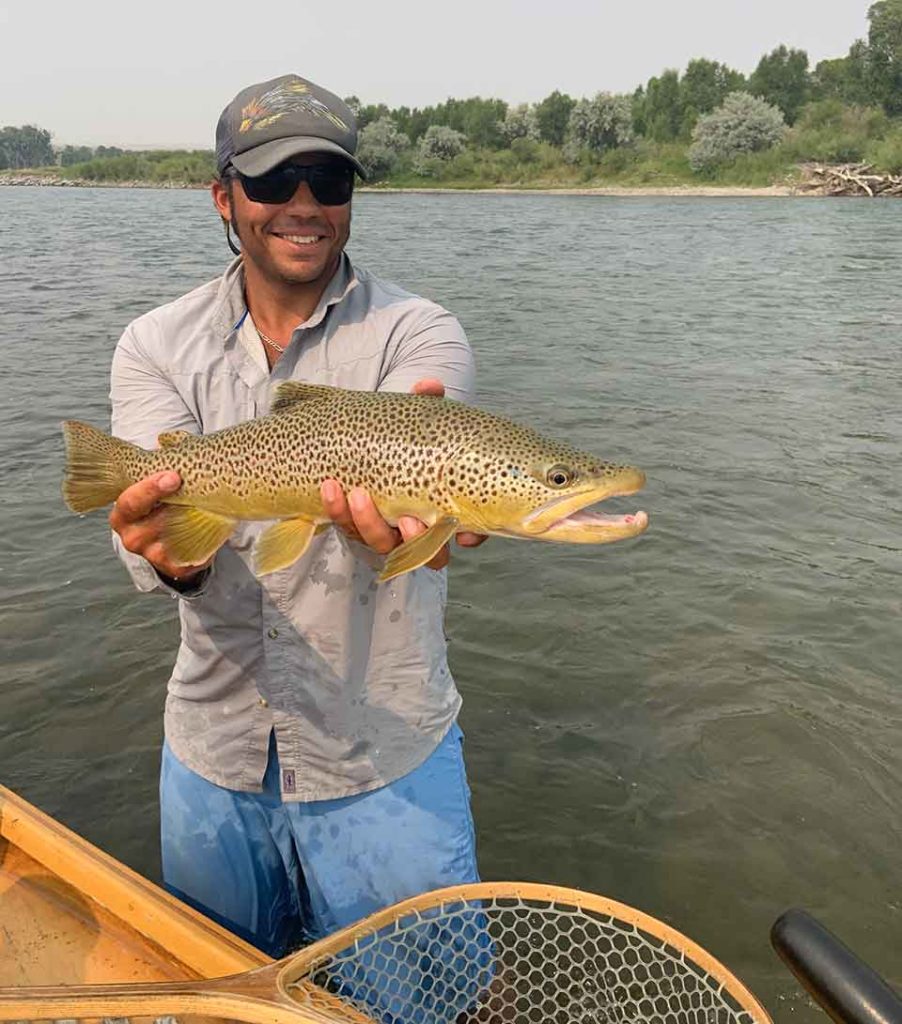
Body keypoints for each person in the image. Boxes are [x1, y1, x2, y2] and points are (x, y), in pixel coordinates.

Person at [108, 73, 486, 958]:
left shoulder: (419, 333)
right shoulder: (154, 344)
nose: (304, 205)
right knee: (221, 988)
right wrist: (166, 551)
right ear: (224, 198)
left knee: (426, 1007)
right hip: (214, 754)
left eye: (330, 181)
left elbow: (428, 511)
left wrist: (413, 526)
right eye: (275, 182)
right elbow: (158, 553)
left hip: (382, 752)